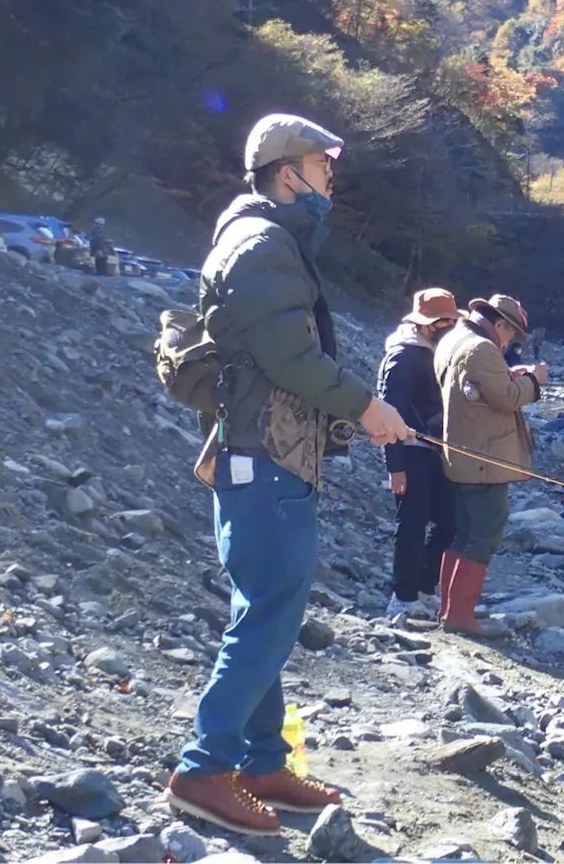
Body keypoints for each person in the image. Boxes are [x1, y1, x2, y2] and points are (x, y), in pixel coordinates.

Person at [164, 113, 410, 835]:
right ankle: (203, 769)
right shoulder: (263, 244)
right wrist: (369, 408)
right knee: (272, 606)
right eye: (322, 166)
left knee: (267, 607)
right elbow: (289, 361)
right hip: (263, 458)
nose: (332, 179)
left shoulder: (263, 240)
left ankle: (263, 763)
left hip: (265, 456)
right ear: (285, 172)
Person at [434, 294, 546, 634]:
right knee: (484, 534)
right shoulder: (482, 348)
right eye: (511, 335)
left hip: (461, 454)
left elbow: (479, 388)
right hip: (484, 459)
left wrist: (508, 373)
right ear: (500, 325)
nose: (510, 341)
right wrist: (534, 381)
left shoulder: (454, 338)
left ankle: (450, 609)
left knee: (463, 532)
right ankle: (460, 617)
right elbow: (508, 398)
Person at [377, 288, 460, 618]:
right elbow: (388, 411)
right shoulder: (403, 356)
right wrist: (394, 466)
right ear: (428, 325)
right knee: (411, 523)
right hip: (409, 452)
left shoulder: (431, 353)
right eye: (446, 322)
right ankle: (403, 594)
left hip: (434, 450)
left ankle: (425, 586)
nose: (451, 328)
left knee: (448, 521)